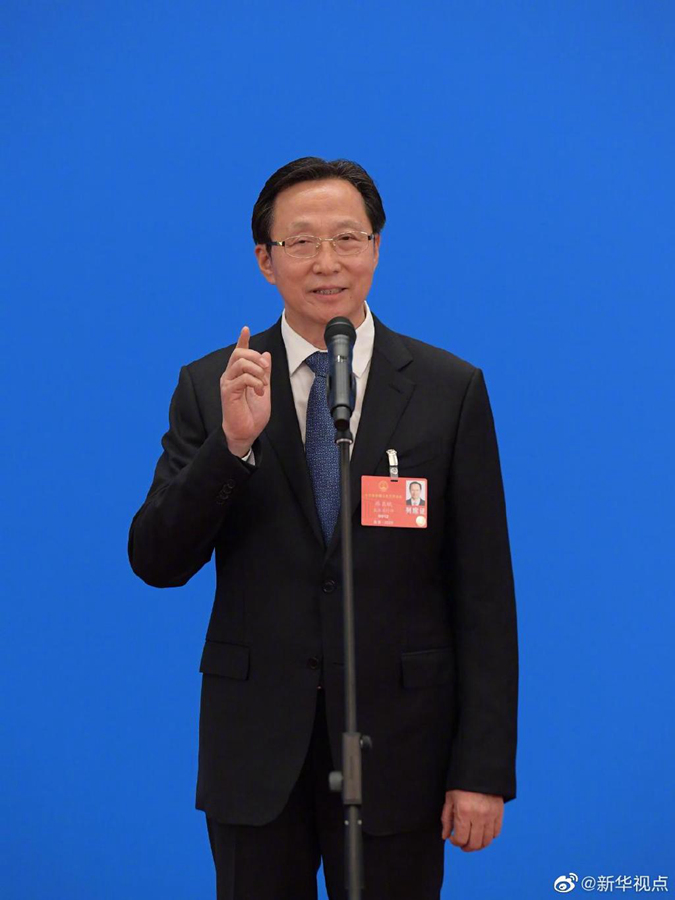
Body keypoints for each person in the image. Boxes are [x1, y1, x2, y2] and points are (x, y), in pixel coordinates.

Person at [128, 157, 519, 899]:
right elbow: (156, 558)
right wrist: (231, 446)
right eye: (301, 242)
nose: (327, 262)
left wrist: (482, 769)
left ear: (376, 247)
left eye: (347, 238)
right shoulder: (215, 385)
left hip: (400, 749)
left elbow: (485, 597)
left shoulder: (449, 390)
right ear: (265, 260)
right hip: (256, 752)